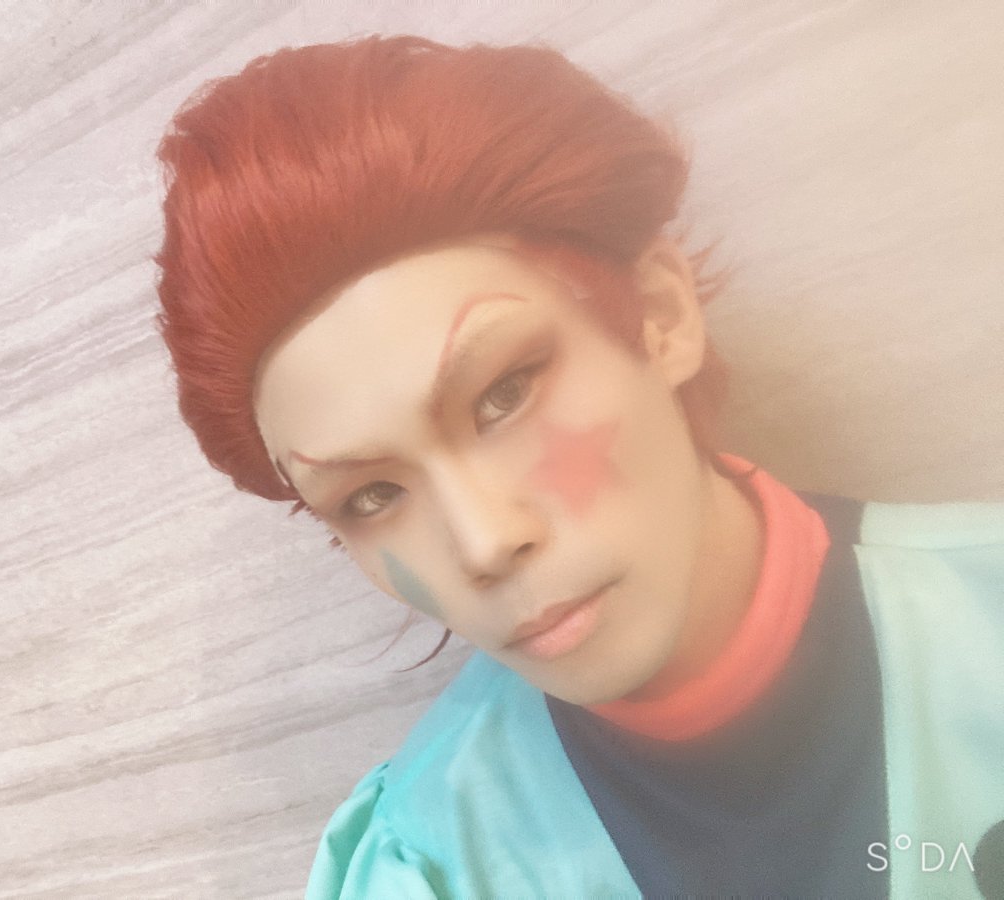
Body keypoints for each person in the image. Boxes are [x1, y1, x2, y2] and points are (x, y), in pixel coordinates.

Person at [155, 36, 1004, 899]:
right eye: (371, 496)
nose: (484, 542)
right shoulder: (435, 864)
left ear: (661, 315)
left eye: (503, 394)